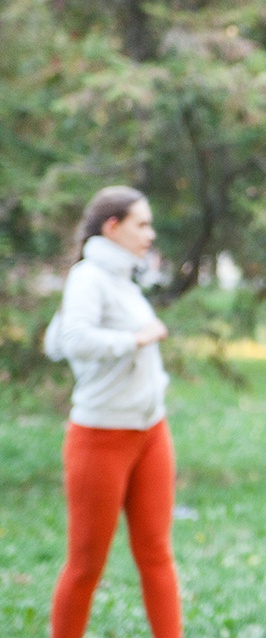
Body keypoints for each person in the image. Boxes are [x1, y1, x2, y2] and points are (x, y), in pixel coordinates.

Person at [46, 186, 182, 638]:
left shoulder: (122, 277)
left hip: (150, 431)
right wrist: (135, 339)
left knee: (157, 554)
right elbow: (71, 341)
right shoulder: (88, 276)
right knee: (86, 565)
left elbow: (56, 337)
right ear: (113, 226)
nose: (150, 233)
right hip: (100, 435)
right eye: (141, 224)